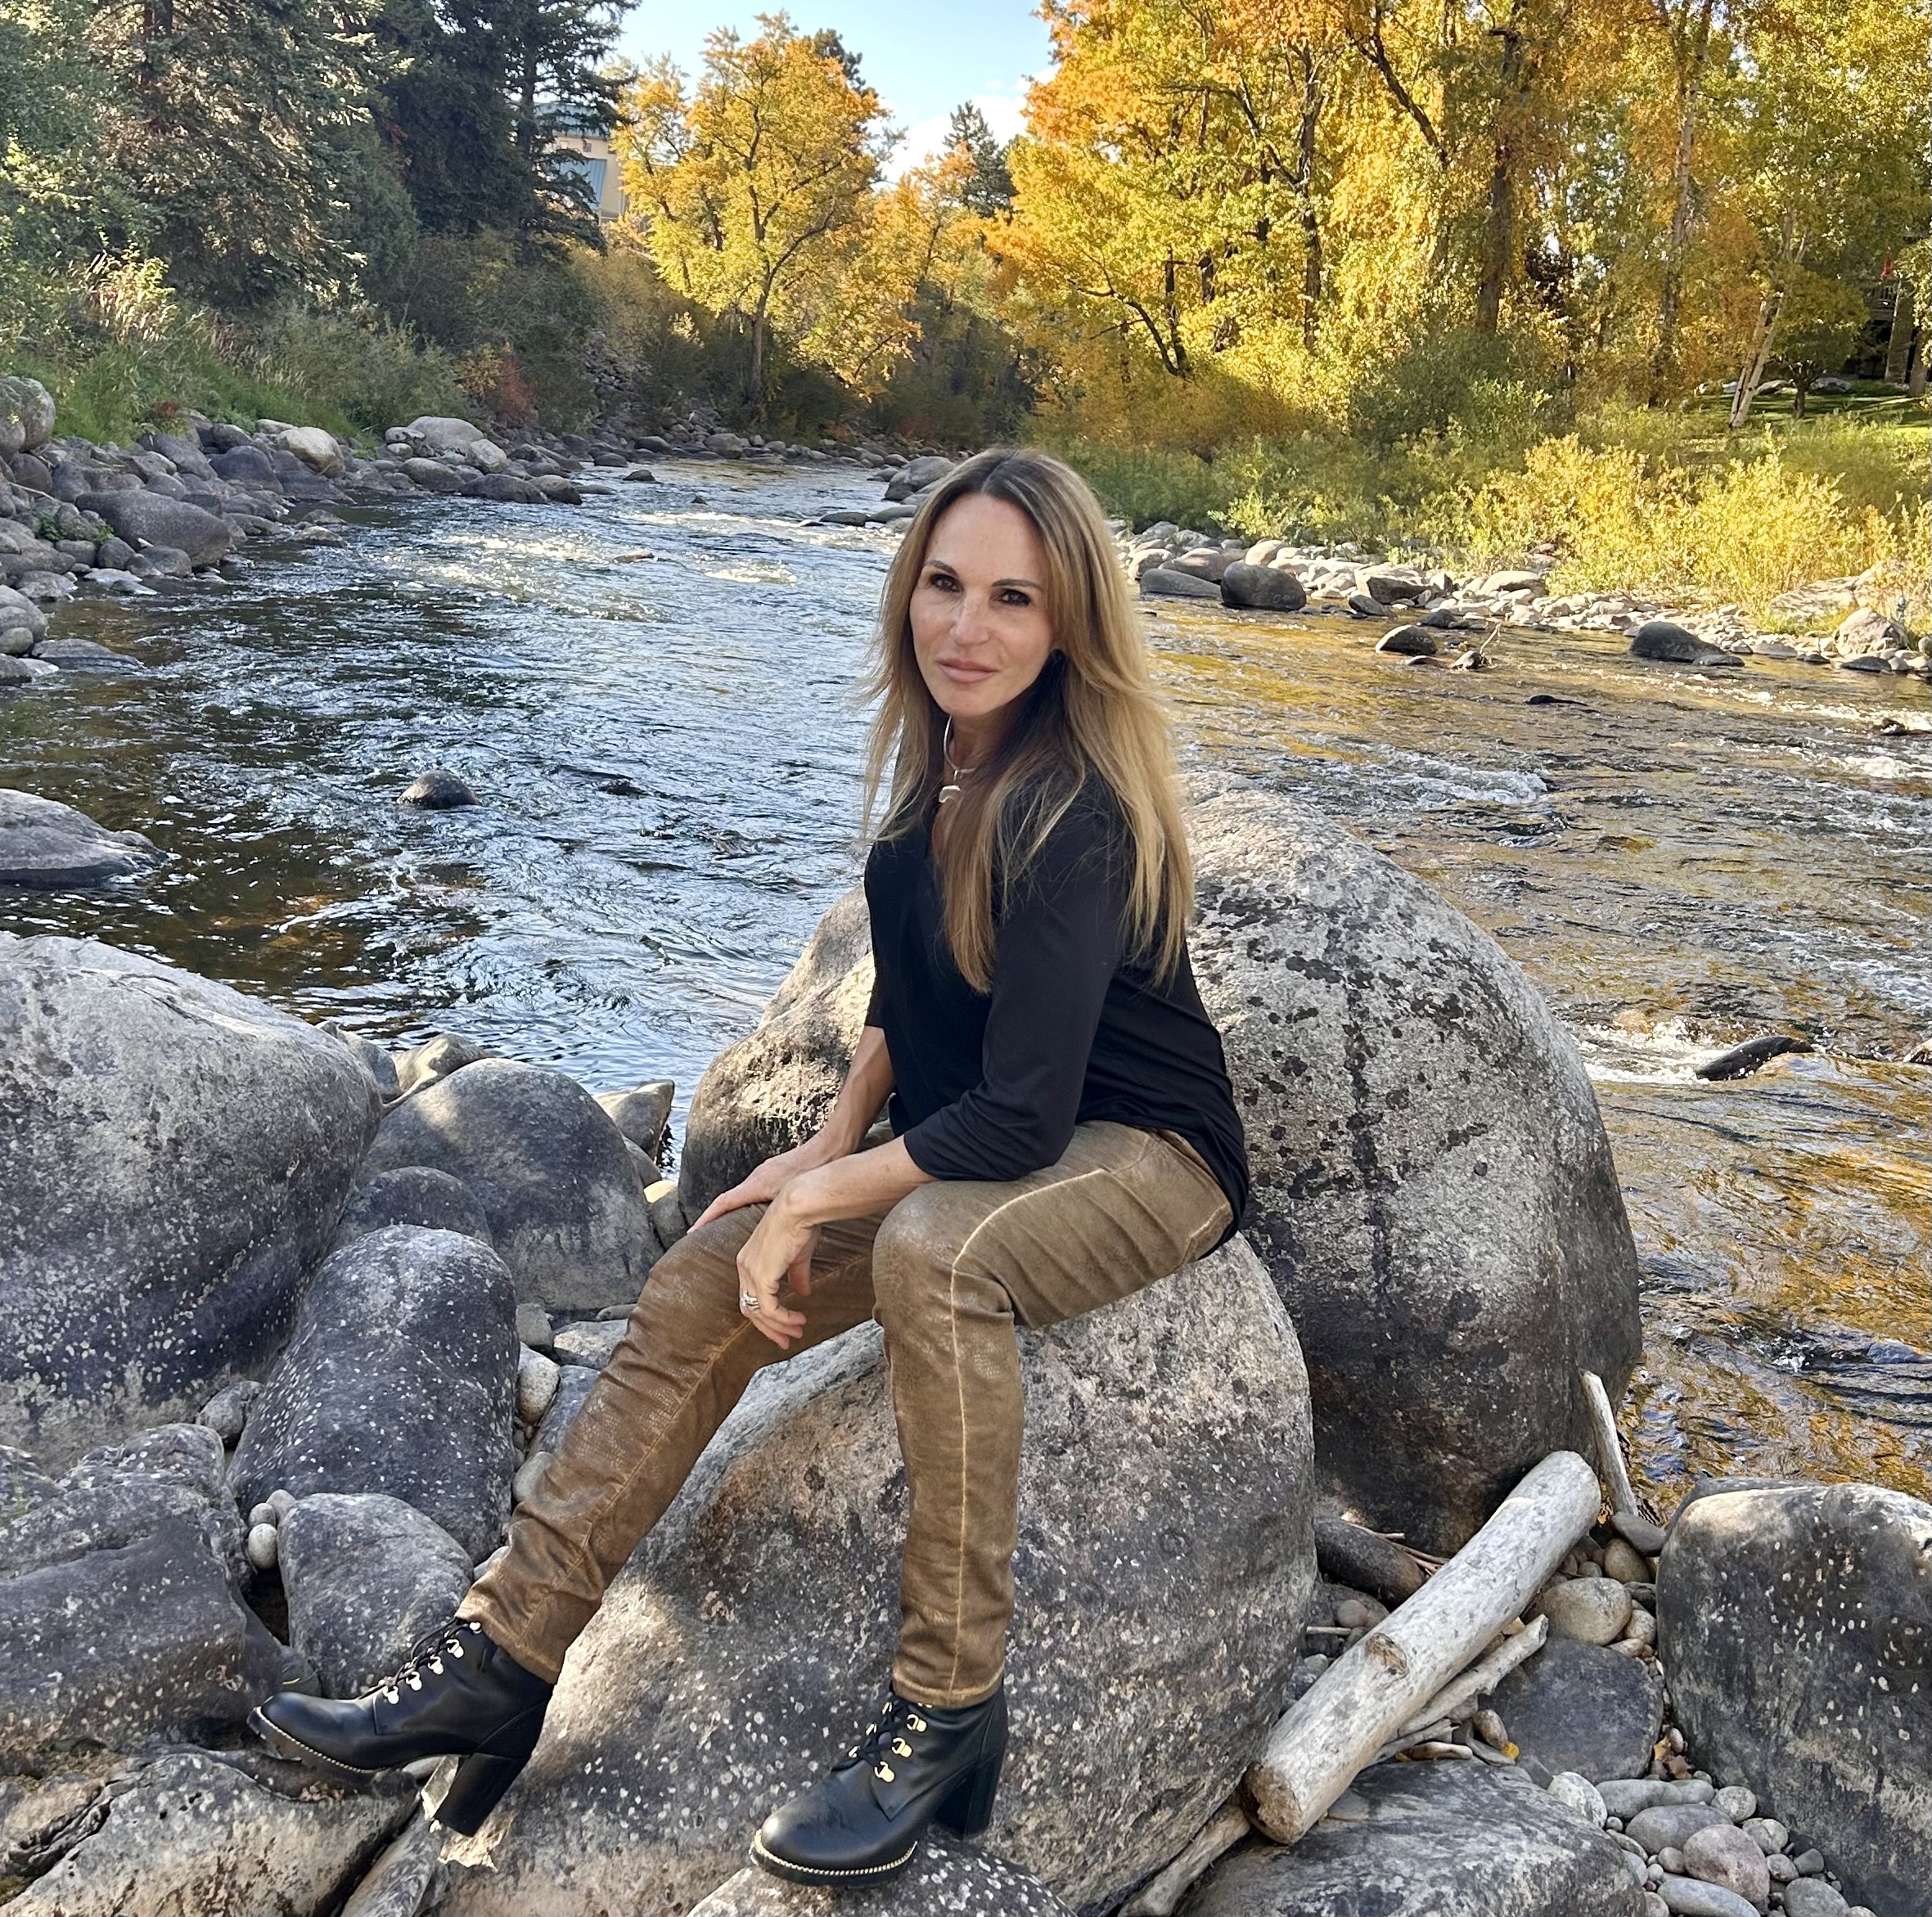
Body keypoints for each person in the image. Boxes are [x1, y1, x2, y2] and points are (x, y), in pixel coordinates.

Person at [251, 447, 1250, 1886]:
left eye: (1013, 599)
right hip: (996, 1141)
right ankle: (502, 1658)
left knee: (931, 1255)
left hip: (1145, 1153)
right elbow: (912, 1005)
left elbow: (1027, 1120)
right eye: (945, 585)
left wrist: (829, 1196)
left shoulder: (1074, 809)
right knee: (707, 1267)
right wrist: (825, 1146)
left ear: (1068, 625)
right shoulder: (940, 781)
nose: (966, 627)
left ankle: (948, 1712)